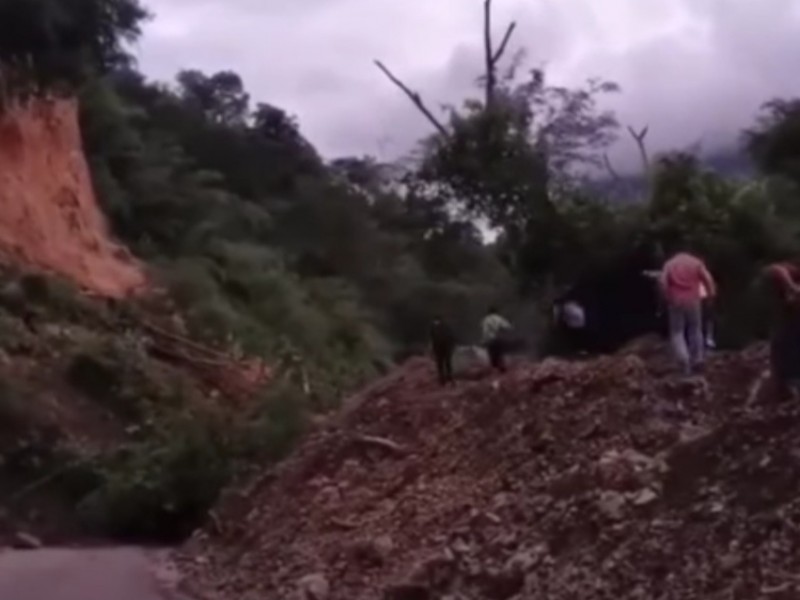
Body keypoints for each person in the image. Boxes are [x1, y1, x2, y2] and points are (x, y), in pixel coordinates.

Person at [659, 249, 716, 375]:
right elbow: (708, 279)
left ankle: (683, 359)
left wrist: (666, 296)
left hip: (675, 301)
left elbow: (662, 282)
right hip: (693, 301)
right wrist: (711, 295)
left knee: (677, 332)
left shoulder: (670, 264)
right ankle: (697, 358)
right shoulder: (695, 262)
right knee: (695, 329)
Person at [763, 260, 800, 398]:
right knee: (786, 345)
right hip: (790, 320)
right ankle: (787, 384)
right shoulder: (792, 270)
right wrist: (791, 287)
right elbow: (774, 269)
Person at [482, 306, 512, 373]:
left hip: (490, 339)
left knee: (492, 354)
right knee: (500, 353)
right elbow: (508, 327)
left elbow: (485, 331)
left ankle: (495, 367)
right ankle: (502, 367)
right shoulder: (499, 318)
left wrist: (484, 340)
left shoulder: (486, 319)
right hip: (499, 338)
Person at [429, 315, 456, 385]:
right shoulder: (447, 326)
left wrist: (432, 349)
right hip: (446, 347)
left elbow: (432, 340)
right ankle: (450, 378)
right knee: (447, 363)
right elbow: (452, 337)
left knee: (440, 363)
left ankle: (442, 379)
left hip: (439, 348)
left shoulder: (433, 328)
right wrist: (452, 347)